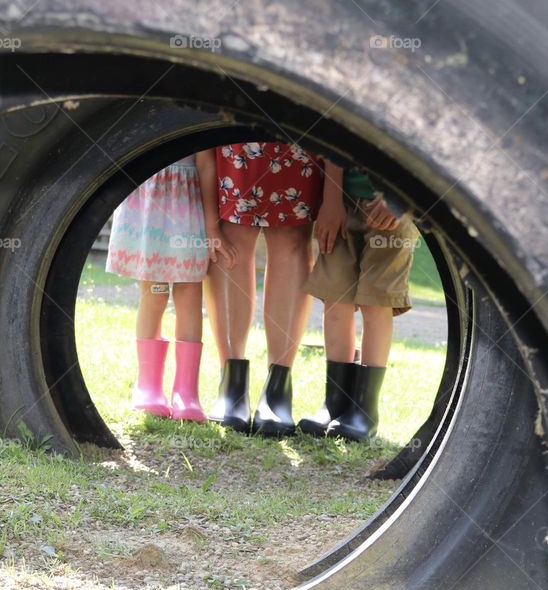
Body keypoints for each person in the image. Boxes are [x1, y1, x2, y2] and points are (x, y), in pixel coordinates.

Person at [197, 141, 323, 436]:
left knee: (292, 238)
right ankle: (232, 384)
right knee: (232, 233)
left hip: (296, 127)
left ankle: (278, 390)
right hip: (240, 125)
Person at [106, 154, 235, 422]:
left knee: (189, 292)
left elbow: (206, 163)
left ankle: (186, 393)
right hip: (149, 197)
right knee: (155, 292)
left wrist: (212, 224)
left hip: (188, 201)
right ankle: (148, 387)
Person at [298, 161, 418, 441]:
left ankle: (364, 409)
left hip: (391, 206)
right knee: (335, 298)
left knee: (376, 302)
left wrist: (401, 198)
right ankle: (334, 403)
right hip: (342, 202)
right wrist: (331, 200)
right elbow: (333, 139)